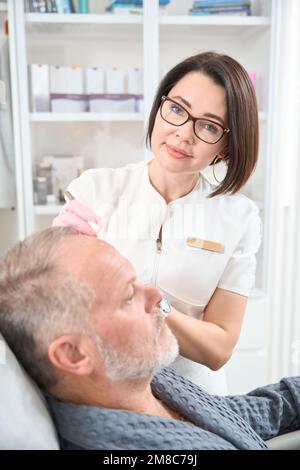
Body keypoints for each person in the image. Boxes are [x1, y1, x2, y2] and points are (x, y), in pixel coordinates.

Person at [53, 51, 261, 394]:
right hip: (105, 387)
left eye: (208, 126)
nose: (183, 134)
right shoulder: (94, 190)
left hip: (196, 396)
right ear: (160, 106)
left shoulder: (239, 218)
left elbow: (219, 348)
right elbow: (57, 302)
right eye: (177, 109)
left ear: (226, 146)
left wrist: (150, 303)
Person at [0, 227, 298, 451]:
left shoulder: (151, 384)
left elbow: (236, 419)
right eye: (129, 296)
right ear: (74, 355)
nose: (158, 297)